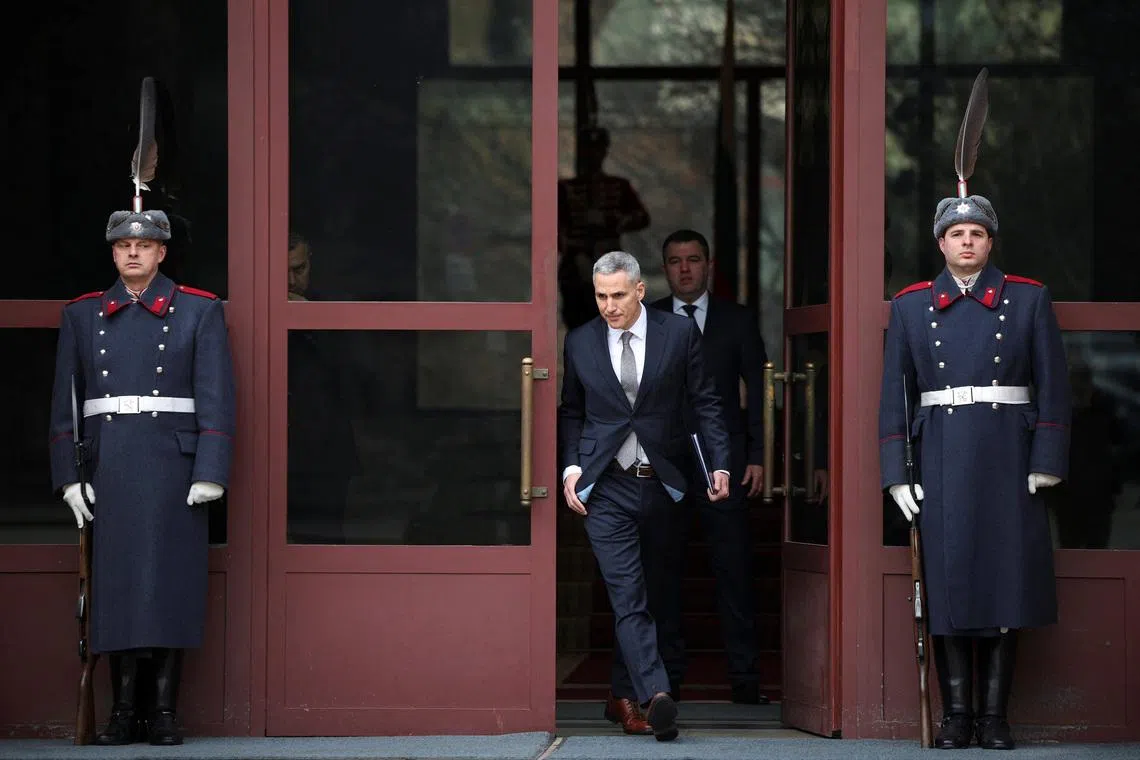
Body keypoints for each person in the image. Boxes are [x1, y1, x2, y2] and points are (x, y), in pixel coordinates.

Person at [879, 194, 1071, 750]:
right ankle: (956, 716)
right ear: (941, 244)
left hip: (1009, 458)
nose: (967, 242)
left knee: (1004, 588)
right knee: (947, 584)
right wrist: (896, 473)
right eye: (957, 233)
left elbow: (1053, 387)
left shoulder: (1028, 299)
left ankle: (994, 717)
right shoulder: (911, 306)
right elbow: (895, 396)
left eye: (977, 233)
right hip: (939, 455)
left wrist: (1046, 461)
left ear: (991, 242)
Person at [48, 207, 236, 745]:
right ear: (113, 253)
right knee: (117, 591)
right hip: (109, 466)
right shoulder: (82, 315)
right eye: (123, 245)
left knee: (168, 588)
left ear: (161, 253)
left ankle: (164, 712)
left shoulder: (198, 311)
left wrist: (211, 470)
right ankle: (122, 711)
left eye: (145, 244)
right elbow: (66, 402)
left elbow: (217, 397)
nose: (133, 251)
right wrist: (68, 476)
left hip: (174, 469)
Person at [559, 251, 731, 741]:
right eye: (600, 296)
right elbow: (571, 410)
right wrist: (573, 468)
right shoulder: (580, 341)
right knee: (626, 593)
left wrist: (717, 464)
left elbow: (706, 402)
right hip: (606, 484)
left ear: (639, 290)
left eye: (617, 295)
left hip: (663, 482)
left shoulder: (677, 334)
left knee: (653, 595)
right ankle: (656, 695)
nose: (608, 306)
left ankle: (621, 694)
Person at [649, 229, 768, 704]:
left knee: (734, 572)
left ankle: (745, 679)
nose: (684, 269)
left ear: (708, 265)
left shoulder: (736, 321)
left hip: (726, 462)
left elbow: (760, 392)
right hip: (662, 466)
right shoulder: (648, 316)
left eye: (693, 259)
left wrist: (759, 455)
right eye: (675, 261)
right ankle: (666, 678)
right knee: (662, 572)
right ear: (665, 268)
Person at [285, 233, 360, 544]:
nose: (290, 281)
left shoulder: (332, 306)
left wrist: (306, 320)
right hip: (265, 447)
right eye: (281, 272)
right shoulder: (248, 305)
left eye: (298, 269)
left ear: (311, 262)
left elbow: (352, 374)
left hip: (324, 450)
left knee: (325, 541)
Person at [557, 125, 651, 331]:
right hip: (576, 267)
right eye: (589, 150)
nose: (593, 155)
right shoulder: (565, 189)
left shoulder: (617, 186)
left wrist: (614, 220)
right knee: (578, 323)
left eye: (597, 149)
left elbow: (642, 218)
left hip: (610, 263)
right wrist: (572, 247)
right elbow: (553, 230)